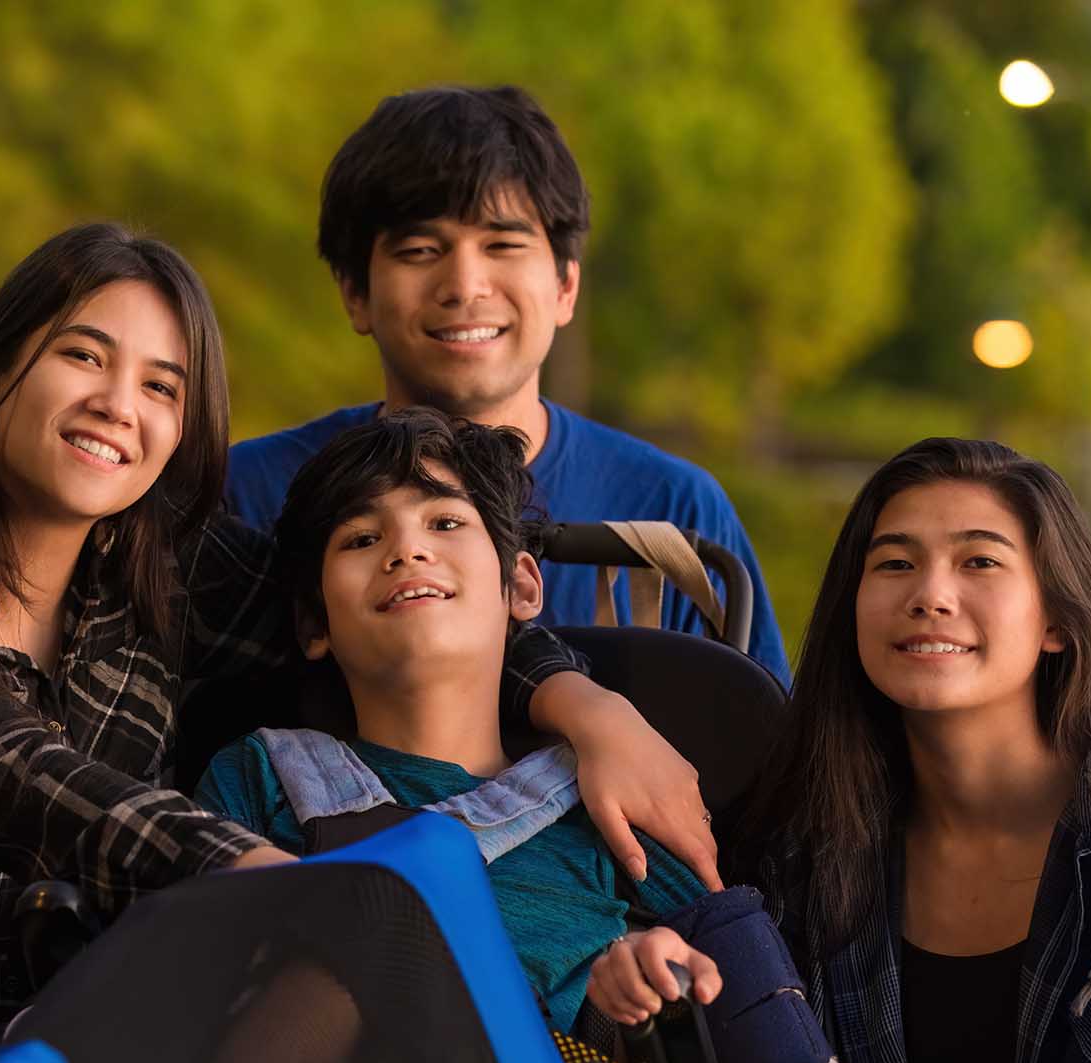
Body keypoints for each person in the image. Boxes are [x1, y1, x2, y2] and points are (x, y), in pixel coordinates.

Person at [0, 224, 720, 1063]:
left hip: (81, 1031)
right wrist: (255, 871)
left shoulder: (174, 577)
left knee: (415, 872)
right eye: (83, 357)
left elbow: (392, 615)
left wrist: (580, 703)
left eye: (162, 385)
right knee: (398, 880)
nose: (120, 405)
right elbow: (18, 777)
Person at [738, 438, 1091, 1063]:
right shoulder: (804, 844)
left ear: (1058, 621)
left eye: (979, 561)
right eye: (895, 563)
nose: (930, 595)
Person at [224, 85, 790, 685]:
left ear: (566, 284)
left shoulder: (676, 513)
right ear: (355, 295)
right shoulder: (249, 497)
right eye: (420, 249)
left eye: (503, 244)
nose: (465, 285)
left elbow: (761, 755)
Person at [199, 408, 721, 1037]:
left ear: (522, 587)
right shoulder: (262, 775)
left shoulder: (605, 799)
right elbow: (204, 985)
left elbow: (728, 966)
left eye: (444, 522)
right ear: (314, 624)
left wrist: (628, 985)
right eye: (362, 539)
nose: (406, 550)